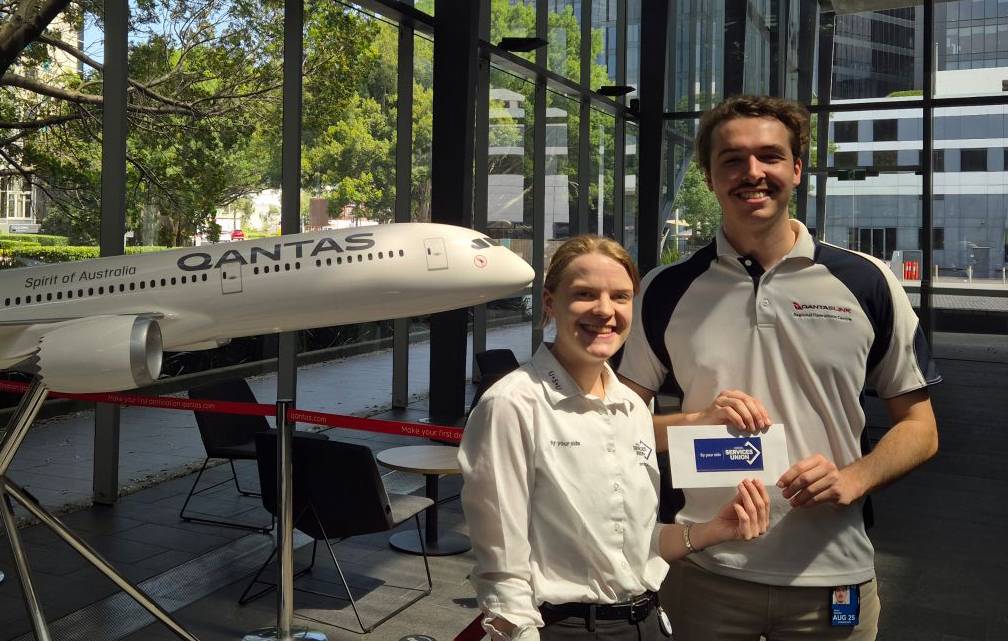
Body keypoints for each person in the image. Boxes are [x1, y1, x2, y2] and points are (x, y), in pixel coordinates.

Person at [617, 94, 940, 640]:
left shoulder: (867, 281)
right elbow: (614, 429)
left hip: (834, 577)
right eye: (732, 159)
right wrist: (696, 425)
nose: (752, 172)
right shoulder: (664, 289)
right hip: (704, 570)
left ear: (795, 169)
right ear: (710, 175)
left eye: (769, 156)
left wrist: (852, 478)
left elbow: (921, 427)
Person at [459, 235, 771, 641]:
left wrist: (714, 530)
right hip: (562, 629)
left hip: (646, 624)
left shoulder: (632, 407)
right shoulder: (512, 405)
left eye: (620, 297)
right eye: (585, 294)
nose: (605, 310)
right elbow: (502, 572)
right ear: (550, 304)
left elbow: (641, 543)